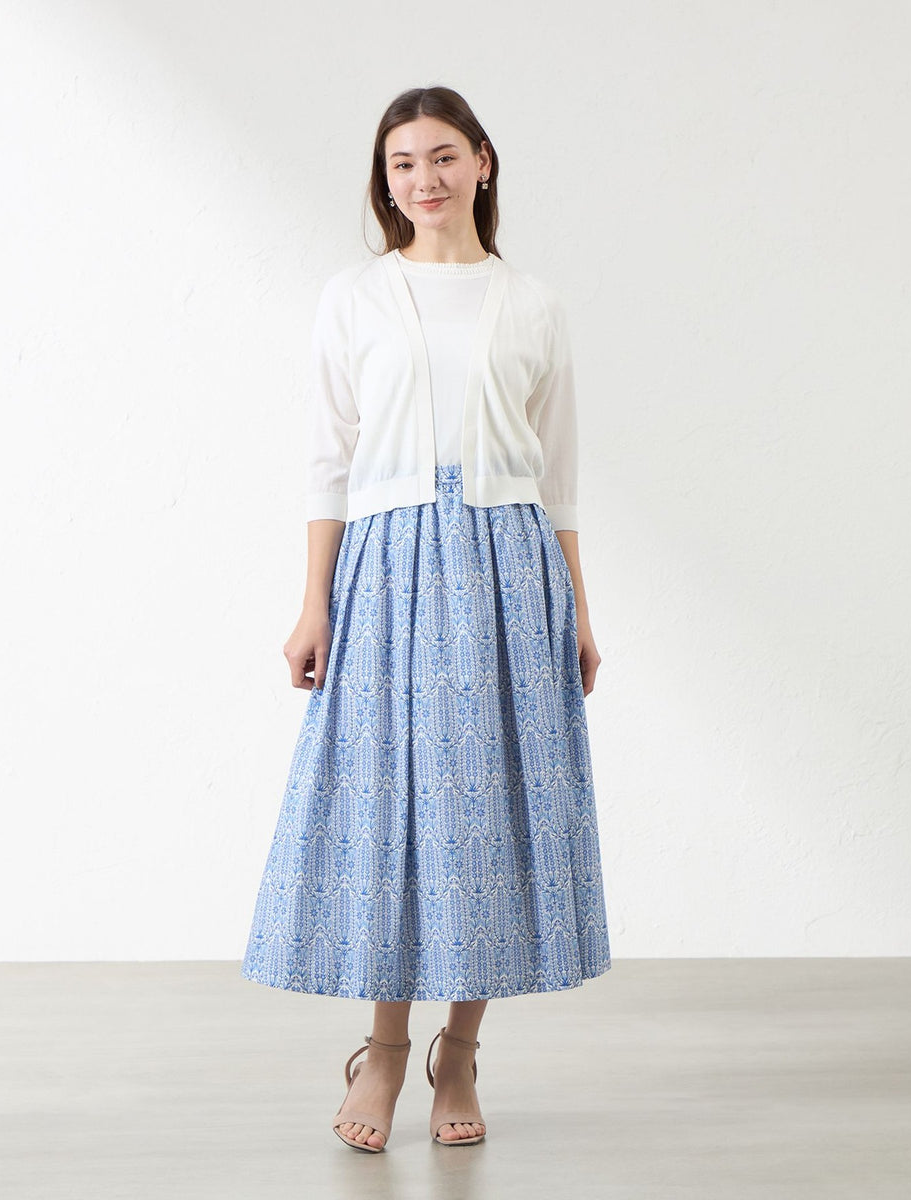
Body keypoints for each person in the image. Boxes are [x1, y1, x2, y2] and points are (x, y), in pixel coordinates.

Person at [240, 85, 612, 1153]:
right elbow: (329, 462)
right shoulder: (355, 297)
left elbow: (559, 478)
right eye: (402, 163)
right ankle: (386, 1050)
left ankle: (461, 1053)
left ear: (483, 162)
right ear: (385, 180)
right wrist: (313, 603)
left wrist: (579, 612)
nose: (424, 179)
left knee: (486, 810)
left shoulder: (532, 304)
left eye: (443, 156)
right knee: (390, 810)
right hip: (387, 571)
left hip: (508, 568)